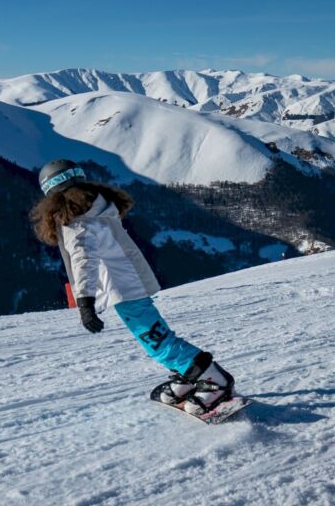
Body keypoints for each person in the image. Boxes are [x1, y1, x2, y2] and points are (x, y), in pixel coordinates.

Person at [30, 159, 235, 415]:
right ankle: (188, 377)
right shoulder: (96, 205)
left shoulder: (76, 220)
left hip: (123, 286)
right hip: (130, 280)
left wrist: (85, 303)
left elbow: (84, 260)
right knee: (156, 336)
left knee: (157, 340)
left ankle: (214, 380)